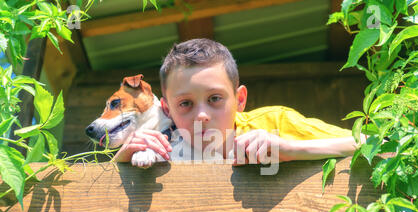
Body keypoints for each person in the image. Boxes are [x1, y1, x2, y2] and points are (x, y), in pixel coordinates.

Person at [113, 38, 365, 166]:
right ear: (167, 109)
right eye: (186, 104)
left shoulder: (274, 122)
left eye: (214, 99)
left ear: (240, 99)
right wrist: (119, 163)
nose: (202, 115)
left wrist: (289, 149)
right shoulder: (161, 149)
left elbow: (374, 145)